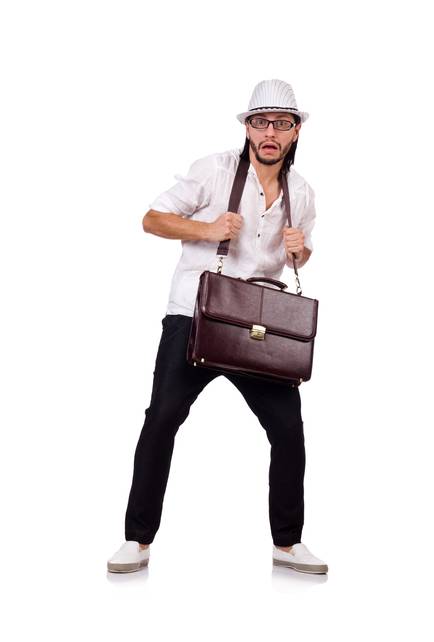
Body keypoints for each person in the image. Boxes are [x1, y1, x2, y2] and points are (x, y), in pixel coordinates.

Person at [108, 79, 326, 575]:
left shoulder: (303, 192)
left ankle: (287, 544)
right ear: (247, 127)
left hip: (259, 323)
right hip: (195, 313)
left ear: (295, 132)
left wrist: (302, 251)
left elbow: (302, 254)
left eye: (282, 123)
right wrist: (206, 229)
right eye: (261, 122)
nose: (270, 132)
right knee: (162, 419)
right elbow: (152, 218)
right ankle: (137, 540)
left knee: (288, 430)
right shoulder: (213, 169)